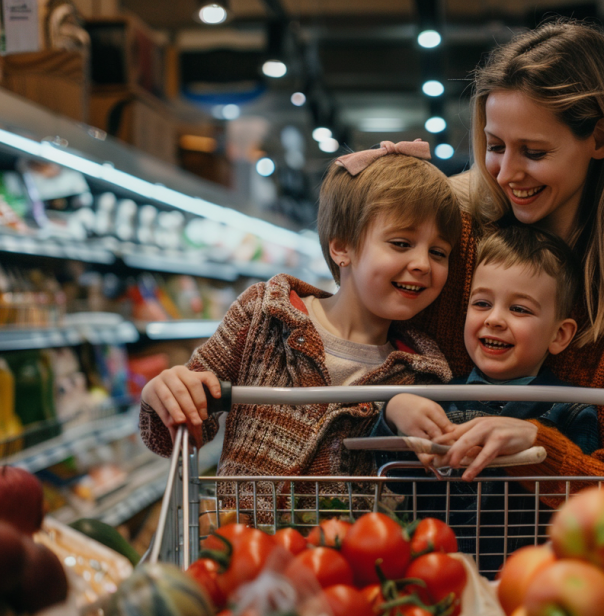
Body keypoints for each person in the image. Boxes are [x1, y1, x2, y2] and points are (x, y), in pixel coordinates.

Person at [410, 19, 604, 503]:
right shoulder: (455, 228)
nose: (507, 173)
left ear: (599, 139)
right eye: (495, 147)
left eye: (534, 152)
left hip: (566, 556)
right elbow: (360, 329)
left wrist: (539, 445)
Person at [139, 141, 459, 518]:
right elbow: (178, 434)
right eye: (401, 243)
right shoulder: (264, 315)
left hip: (345, 565)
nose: (422, 263)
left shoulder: (423, 375)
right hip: (239, 554)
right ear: (342, 247)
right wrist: (162, 394)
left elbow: (420, 492)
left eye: (439, 252)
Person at [372, 227, 600, 566]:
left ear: (559, 334)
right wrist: (393, 413)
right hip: (433, 574)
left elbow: (581, 502)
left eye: (520, 309)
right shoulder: (438, 399)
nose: (494, 319)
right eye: (481, 303)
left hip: (527, 581)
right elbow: (395, 476)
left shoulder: (570, 409)